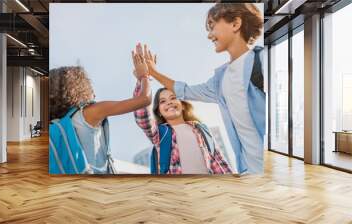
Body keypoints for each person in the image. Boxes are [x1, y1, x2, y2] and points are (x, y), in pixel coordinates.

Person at [135, 3, 264, 174]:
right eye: (163, 101)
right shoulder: (219, 81)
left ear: (235, 24)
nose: (210, 35)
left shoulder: (261, 61)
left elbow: (216, 159)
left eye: (212, 26)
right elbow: (185, 90)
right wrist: (150, 74)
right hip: (248, 170)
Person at [132, 46, 232, 175]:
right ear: (159, 111)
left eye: (173, 98)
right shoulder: (160, 133)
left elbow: (218, 161)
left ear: (183, 104)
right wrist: (143, 78)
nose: (169, 102)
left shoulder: (201, 129)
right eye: (163, 101)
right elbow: (142, 116)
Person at [49, 63, 151, 174]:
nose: (94, 93)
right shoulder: (90, 112)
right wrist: (143, 76)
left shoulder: (61, 125)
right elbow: (144, 99)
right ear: (79, 88)